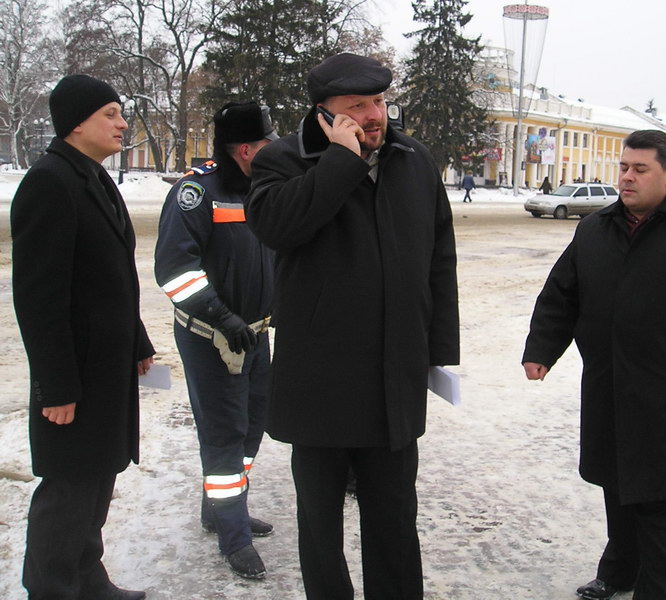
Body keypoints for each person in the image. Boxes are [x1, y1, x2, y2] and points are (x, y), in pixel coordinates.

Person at [245, 53, 460, 599]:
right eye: (357, 106)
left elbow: (439, 258)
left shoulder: (413, 159)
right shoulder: (283, 160)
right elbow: (278, 228)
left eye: (379, 101)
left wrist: (437, 349)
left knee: (395, 519)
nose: (374, 114)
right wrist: (341, 160)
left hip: (393, 376)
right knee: (321, 527)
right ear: (324, 113)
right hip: (321, 378)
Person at [521, 130, 666, 600]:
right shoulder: (596, 228)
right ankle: (620, 570)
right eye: (624, 167)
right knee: (617, 485)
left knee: (662, 497)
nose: (627, 177)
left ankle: (658, 590)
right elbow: (562, 293)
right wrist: (542, 348)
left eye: (640, 169)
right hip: (607, 382)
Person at [11, 74, 155, 600]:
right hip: (73, 375)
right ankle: (51, 588)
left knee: (97, 478)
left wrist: (138, 341)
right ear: (76, 122)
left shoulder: (92, 177)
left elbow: (111, 278)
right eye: (110, 114)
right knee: (69, 487)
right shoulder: (50, 182)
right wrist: (57, 387)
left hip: (105, 368)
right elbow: (39, 299)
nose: (123, 124)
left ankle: (87, 578)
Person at [154, 102, 278, 580]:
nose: (274, 150)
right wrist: (223, 317)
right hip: (214, 339)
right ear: (245, 150)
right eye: (266, 143)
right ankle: (234, 537)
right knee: (225, 436)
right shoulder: (195, 193)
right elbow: (175, 272)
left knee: (252, 428)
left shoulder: (259, 188)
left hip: (255, 334)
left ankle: (224, 507)